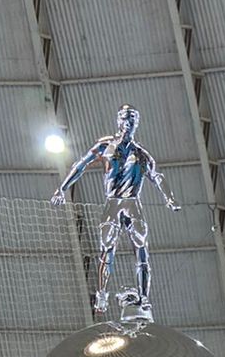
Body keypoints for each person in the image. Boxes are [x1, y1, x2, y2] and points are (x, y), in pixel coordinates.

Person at [51, 105, 181, 317]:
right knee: (107, 249)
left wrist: (169, 197)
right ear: (118, 121)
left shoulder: (141, 155)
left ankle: (144, 297)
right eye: (124, 118)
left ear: (136, 123)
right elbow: (80, 165)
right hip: (112, 202)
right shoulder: (106, 146)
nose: (128, 123)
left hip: (132, 203)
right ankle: (102, 294)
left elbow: (157, 176)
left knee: (141, 249)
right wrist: (62, 189)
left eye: (132, 119)